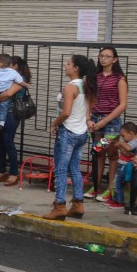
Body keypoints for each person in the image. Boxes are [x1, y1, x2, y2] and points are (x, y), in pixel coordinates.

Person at [43, 55, 97, 220]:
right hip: (81, 133)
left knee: (60, 169)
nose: (65, 66)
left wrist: (54, 123)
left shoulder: (70, 87)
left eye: (68, 63)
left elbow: (66, 112)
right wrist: (86, 121)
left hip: (68, 132)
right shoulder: (86, 86)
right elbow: (87, 110)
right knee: (74, 169)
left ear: (76, 69)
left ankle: (59, 205)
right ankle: (78, 204)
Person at [87, 46, 128, 201]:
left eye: (107, 56)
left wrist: (104, 120)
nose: (103, 59)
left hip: (111, 123)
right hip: (95, 120)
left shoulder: (120, 79)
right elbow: (89, 99)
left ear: (114, 59)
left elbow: (122, 104)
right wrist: (88, 119)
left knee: (111, 154)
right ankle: (96, 187)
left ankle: (110, 189)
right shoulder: (94, 76)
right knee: (98, 153)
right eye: (101, 56)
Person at [0, 53, 30, 186]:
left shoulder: (19, 79)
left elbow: (7, 94)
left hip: (11, 114)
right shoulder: (4, 75)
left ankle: (14, 173)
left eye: (10, 65)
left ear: (15, 66)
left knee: (8, 142)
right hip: (0, 113)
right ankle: (1, 171)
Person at [105, 121, 137, 210]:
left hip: (125, 165)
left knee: (118, 183)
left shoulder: (136, 141)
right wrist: (115, 143)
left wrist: (121, 143)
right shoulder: (128, 141)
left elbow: (129, 148)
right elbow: (124, 149)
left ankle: (120, 201)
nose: (123, 138)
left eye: (123, 136)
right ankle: (115, 199)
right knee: (115, 183)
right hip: (121, 164)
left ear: (131, 133)